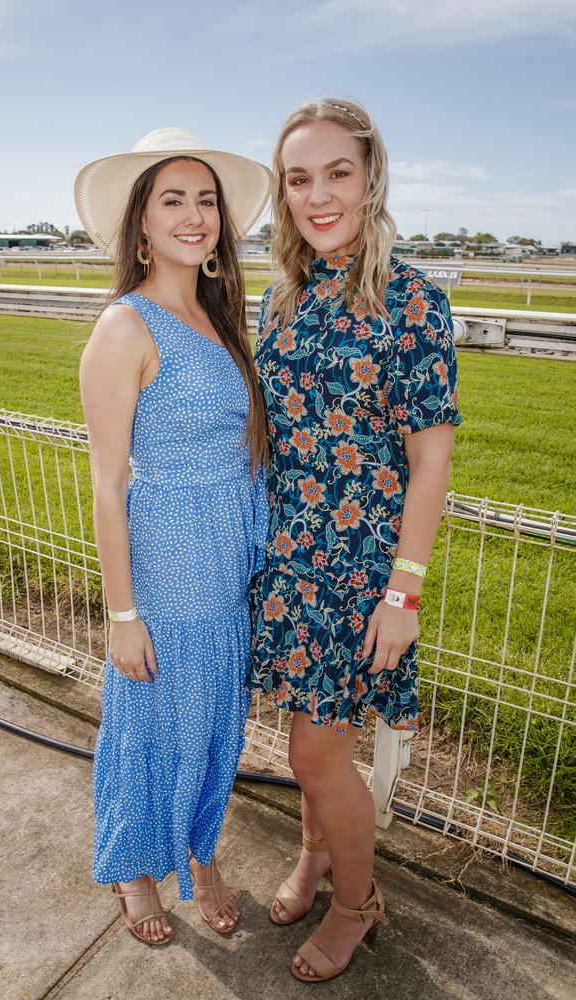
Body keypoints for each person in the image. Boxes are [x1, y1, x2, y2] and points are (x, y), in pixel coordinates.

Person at [249, 98, 462, 982]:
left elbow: (432, 464)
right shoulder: (283, 294)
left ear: (371, 176)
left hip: (361, 572)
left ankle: (359, 904)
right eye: (300, 178)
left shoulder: (413, 301)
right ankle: (317, 854)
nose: (318, 195)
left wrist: (403, 593)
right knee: (310, 737)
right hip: (289, 556)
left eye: (338, 172)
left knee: (315, 749)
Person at [76, 128, 271, 945]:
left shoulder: (219, 314)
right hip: (169, 564)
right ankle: (133, 869)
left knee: (216, 719)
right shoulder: (126, 325)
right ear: (142, 221)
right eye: (172, 200)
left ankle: (201, 853)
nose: (194, 216)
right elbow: (107, 485)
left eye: (205, 201)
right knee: (154, 726)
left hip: (230, 562)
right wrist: (124, 615)